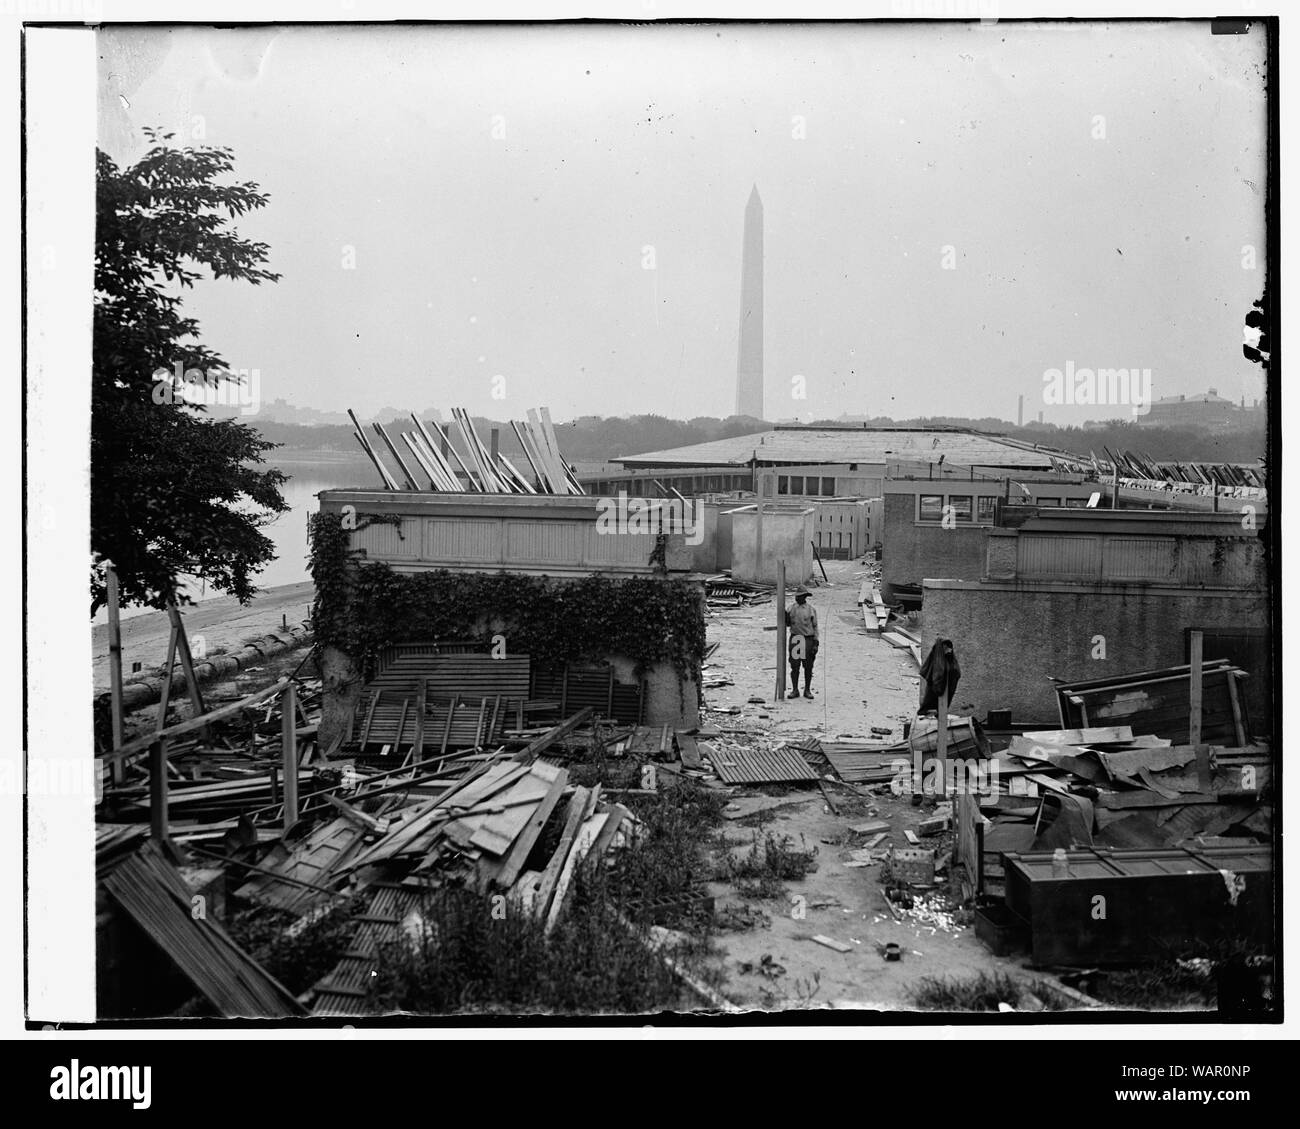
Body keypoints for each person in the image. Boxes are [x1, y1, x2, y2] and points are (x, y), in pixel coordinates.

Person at [785, 586, 819, 699]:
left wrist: (816, 642)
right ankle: (795, 690)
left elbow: (815, 627)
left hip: (808, 639)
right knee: (794, 665)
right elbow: (788, 623)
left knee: (808, 666)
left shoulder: (811, 610)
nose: (797, 598)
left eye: (800, 596)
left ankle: (807, 690)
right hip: (796, 639)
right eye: (796, 596)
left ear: (804, 597)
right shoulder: (791, 609)